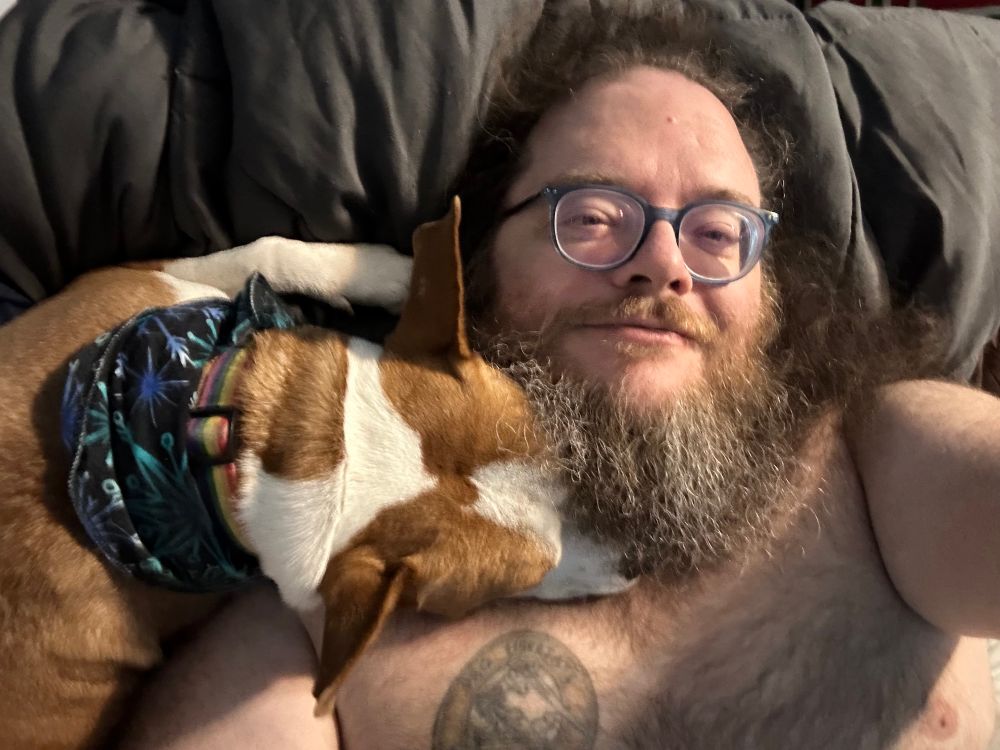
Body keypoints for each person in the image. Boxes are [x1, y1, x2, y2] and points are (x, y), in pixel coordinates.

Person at [117, 6, 1000, 749]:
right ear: (476, 263)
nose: (664, 264)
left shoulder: (881, 455)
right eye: (593, 215)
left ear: (772, 294)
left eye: (718, 232)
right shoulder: (329, 587)